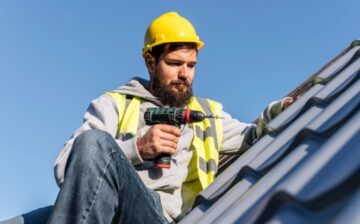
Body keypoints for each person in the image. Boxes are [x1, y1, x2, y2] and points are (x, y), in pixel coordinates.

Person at [3, 11, 292, 224]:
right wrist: (137, 148)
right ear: (150, 62)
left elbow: (253, 133)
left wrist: (279, 109)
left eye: (191, 65)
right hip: (102, 209)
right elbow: (67, 169)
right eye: (175, 63)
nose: (185, 74)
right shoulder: (115, 104)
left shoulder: (206, 116)